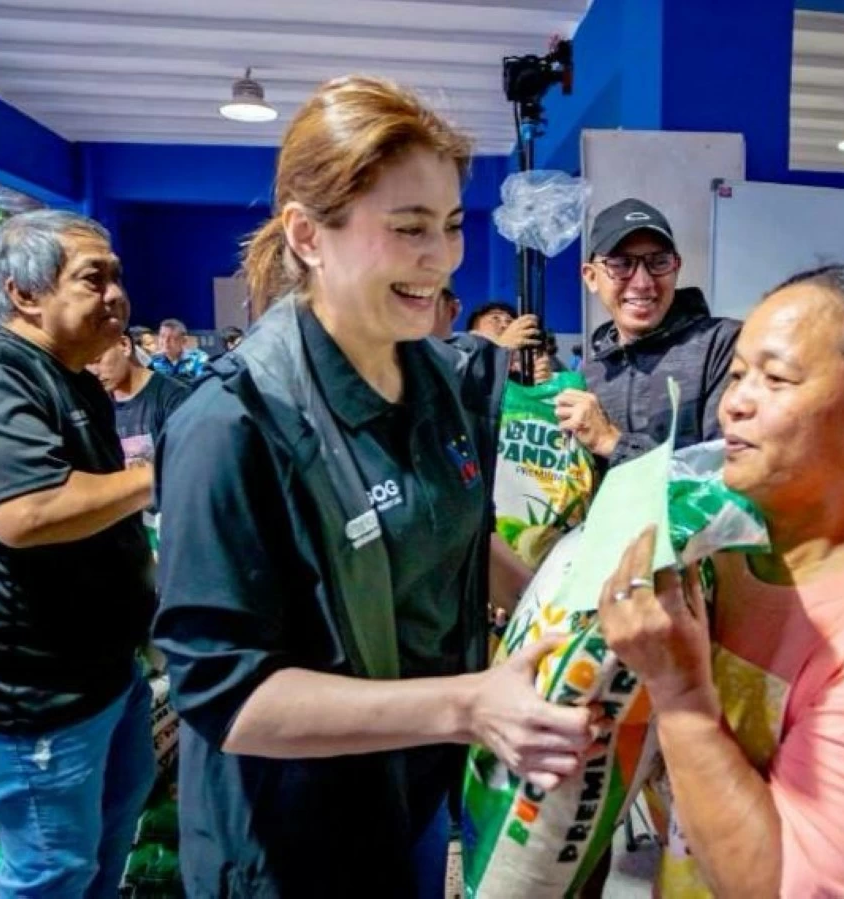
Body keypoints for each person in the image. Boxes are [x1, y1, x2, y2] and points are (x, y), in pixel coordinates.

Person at [151, 75, 591, 897]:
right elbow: (231, 697)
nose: (442, 257)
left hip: (414, 795)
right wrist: (465, 704)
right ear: (308, 235)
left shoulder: (441, 380)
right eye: (409, 227)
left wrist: (563, 614)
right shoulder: (235, 423)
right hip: (293, 841)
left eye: (453, 226)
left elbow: (451, 530)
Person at [597, 264, 844, 896]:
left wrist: (682, 699)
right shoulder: (718, 556)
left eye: (777, 378)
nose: (735, 401)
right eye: (737, 375)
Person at [0, 210, 157, 898]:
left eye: (117, 276)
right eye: (92, 279)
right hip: (31, 694)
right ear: (24, 293)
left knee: (102, 848)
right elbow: (26, 513)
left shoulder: (70, 375)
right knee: (52, 869)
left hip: (102, 674)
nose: (115, 295)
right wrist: (162, 474)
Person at [557, 198, 740, 469]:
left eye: (659, 262)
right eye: (620, 264)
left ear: (676, 267)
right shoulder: (591, 375)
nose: (643, 283)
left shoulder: (722, 346)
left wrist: (613, 443)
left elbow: (724, 475)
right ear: (591, 277)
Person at [87, 328, 189, 469]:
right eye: (85, 363)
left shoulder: (175, 397)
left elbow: (187, 468)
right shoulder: (94, 405)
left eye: (97, 360)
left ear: (124, 345)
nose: (93, 371)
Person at [150, 317, 208, 382]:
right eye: (162, 336)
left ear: (183, 341)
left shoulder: (198, 358)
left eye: (172, 337)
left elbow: (203, 385)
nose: (165, 341)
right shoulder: (152, 362)